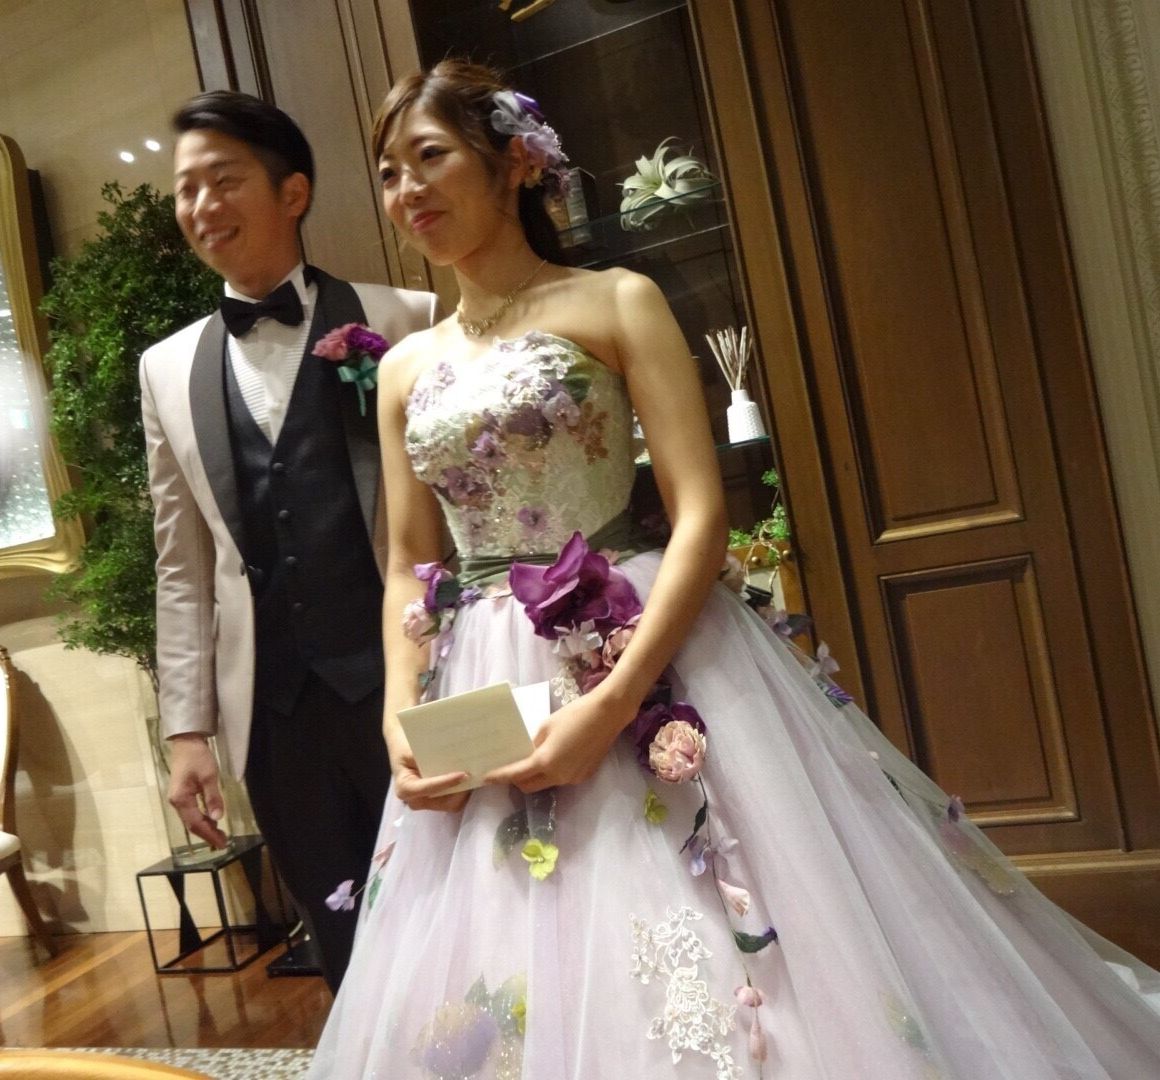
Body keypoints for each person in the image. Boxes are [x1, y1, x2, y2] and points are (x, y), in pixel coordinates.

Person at [311, 60, 1160, 1077]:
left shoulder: (615, 301)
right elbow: (409, 565)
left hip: (623, 633)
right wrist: (399, 720)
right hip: (480, 672)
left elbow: (701, 515)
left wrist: (612, 703)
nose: (407, 189)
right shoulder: (404, 366)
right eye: (388, 171)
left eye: (430, 157)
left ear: (512, 164)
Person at [139, 90, 438, 991]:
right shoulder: (165, 369)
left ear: (293, 192)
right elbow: (181, 565)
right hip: (274, 716)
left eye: (224, 180)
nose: (201, 206)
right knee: (342, 938)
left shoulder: (407, 319)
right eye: (185, 189)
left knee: (453, 921)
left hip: (408, 683)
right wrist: (186, 730)